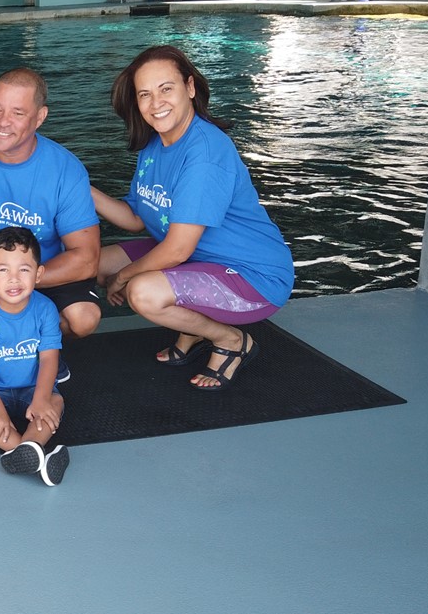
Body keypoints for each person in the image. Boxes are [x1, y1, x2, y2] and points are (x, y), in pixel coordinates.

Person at [93, 45, 294, 391]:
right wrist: (81, 188)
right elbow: (138, 218)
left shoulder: (204, 154)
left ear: (190, 87)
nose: (156, 104)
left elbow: (176, 251)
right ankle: (192, 327)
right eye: (145, 94)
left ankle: (230, 340)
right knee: (91, 263)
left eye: (166, 89)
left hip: (253, 276)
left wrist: (122, 278)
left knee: (142, 291)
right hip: (199, 260)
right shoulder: (155, 143)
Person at [0, 67, 101, 382]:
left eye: (17, 113)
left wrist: (10, 280)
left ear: (39, 117)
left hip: (41, 273)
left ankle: (39, 350)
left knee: (84, 317)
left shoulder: (65, 169)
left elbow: (86, 258)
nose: (1, 122)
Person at [0, 226, 69, 487]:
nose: (13, 279)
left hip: (32, 387)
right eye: (2, 270)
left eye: (24, 269)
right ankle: (33, 454)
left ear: (39, 274)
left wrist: (41, 398)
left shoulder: (45, 309)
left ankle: (27, 450)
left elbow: (49, 358)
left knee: (55, 403)